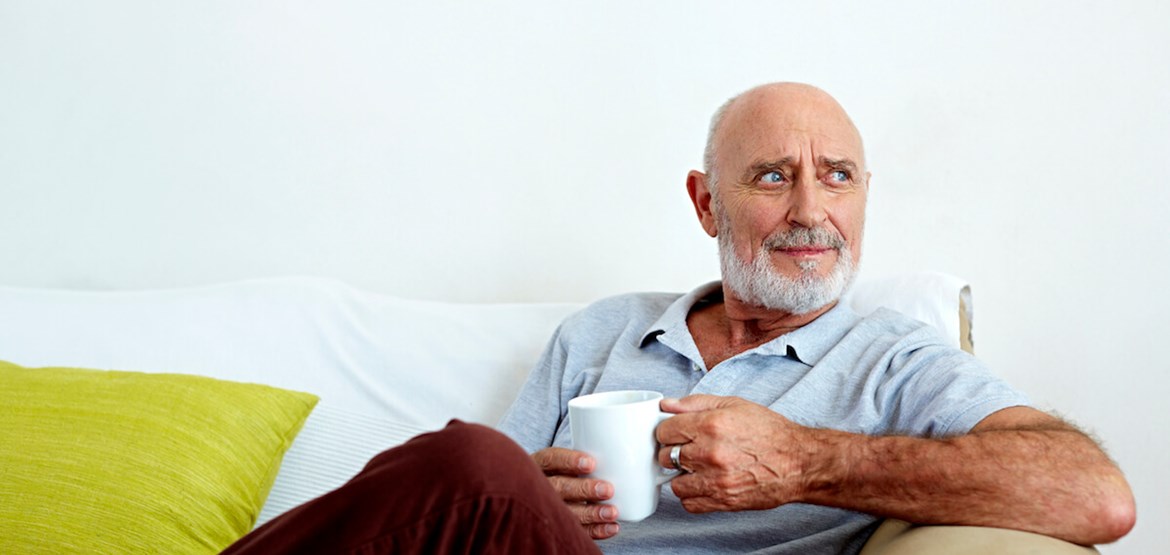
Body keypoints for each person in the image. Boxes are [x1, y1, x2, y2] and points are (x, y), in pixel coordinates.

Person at [224, 83, 1135, 554]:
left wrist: (805, 460)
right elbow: (483, 503)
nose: (813, 209)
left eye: (839, 176)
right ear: (707, 204)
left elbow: (1096, 494)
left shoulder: (895, 357)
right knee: (476, 464)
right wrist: (535, 491)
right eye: (774, 175)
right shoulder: (601, 334)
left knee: (471, 463)